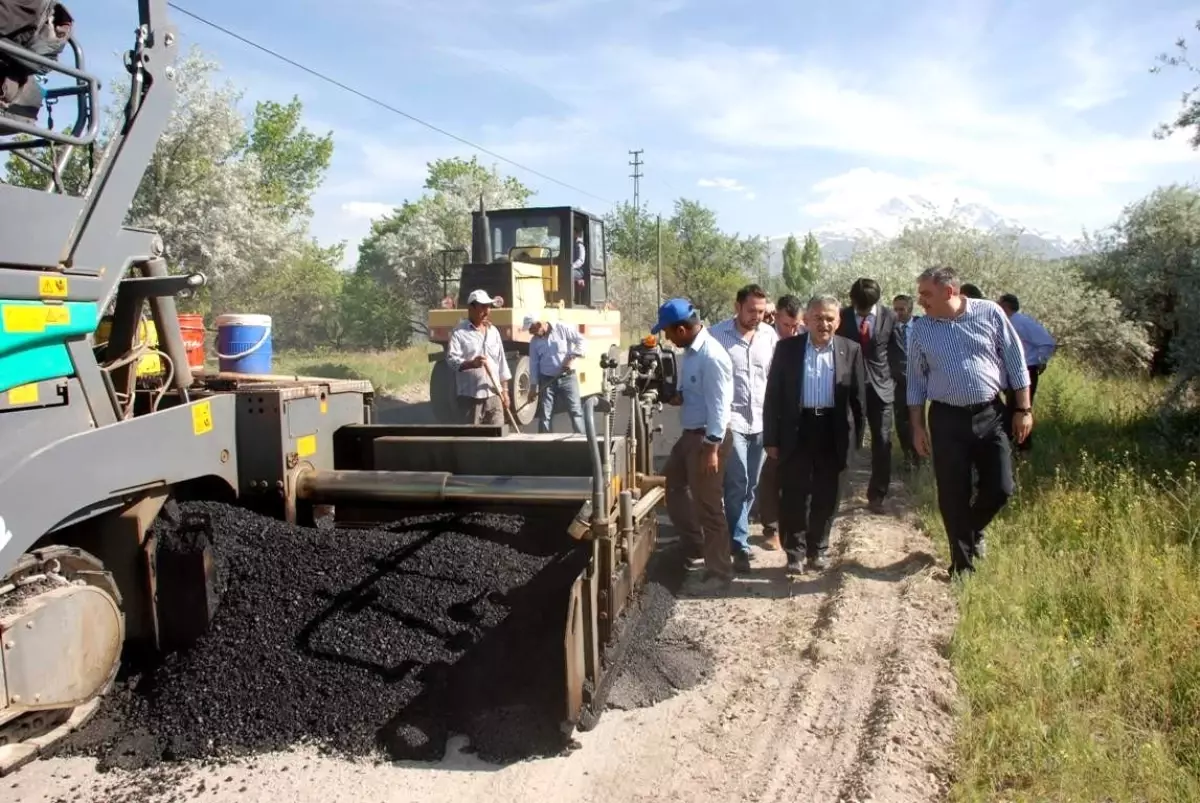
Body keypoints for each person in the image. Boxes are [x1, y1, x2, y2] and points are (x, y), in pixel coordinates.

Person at [907, 266, 1032, 577]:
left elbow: (1016, 361)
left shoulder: (988, 313)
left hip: (990, 413)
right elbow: (915, 382)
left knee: (1001, 487)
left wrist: (1023, 409)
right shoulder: (922, 329)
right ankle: (961, 566)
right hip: (946, 418)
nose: (921, 300)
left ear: (949, 292)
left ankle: (971, 531)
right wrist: (917, 426)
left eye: (926, 294)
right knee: (953, 492)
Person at [764, 294, 866, 573]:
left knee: (827, 494)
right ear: (806, 319)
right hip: (797, 429)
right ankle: (794, 554)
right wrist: (771, 439)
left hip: (832, 431)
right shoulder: (788, 349)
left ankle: (817, 549)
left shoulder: (851, 350)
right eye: (818, 318)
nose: (824, 324)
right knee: (795, 494)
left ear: (838, 321)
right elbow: (773, 396)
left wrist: (855, 442)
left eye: (830, 318)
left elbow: (858, 402)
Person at [655, 297, 735, 592]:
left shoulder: (712, 356)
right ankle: (695, 544)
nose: (666, 337)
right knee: (672, 483)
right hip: (691, 435)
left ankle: (719, 572)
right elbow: (693, 392)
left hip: (707, 439)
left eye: (667, 332)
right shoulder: (690, 351)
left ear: (681, 329)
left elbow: (720, 407)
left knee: (709, 507)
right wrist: (677, 396)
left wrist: (712, 448)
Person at [710, 284, 778, 572]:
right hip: (732, 421)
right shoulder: (716, 336)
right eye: (751, 310)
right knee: (736, 482)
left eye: (761, 311)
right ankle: (739, 545)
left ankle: (733, 534)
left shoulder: (769, 336)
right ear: (737, 307)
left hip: (761, 421)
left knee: (752, 484)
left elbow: (775, 378)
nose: (757, 316)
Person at [838, 278, 904, 513]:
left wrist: (898, 383)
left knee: (882, 441)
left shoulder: (889, 317)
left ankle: (877, 495)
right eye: (859, 307)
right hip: (848, 388)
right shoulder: (842, 317)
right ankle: (839, 489)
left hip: (881, 389)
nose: (862, 311)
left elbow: (897, 354)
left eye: (866, 307)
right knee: (845, 439)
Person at [756, 293, 804, 551]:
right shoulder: (764, 337)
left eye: (796, 325)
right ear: (776, 318)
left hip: (795, 415)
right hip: (767, 410)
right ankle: (770, 527)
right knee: (770, 472)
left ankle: (794, 527)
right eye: (787, 325)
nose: (792, 331)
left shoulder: (805, 339)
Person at [997, 293, 1056, 452]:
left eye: (999, 303)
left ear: (1005, 306)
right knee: (1010, 409)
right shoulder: (1008, 322)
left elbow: (1047, 342)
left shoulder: (1022, 322)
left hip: (1026, 370)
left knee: (1021, 409)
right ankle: (1014, 446)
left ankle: (1022, 448)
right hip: (1012, 370)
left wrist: (1039, 360)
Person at [445, 289, 512, 425]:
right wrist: (471, 364)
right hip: (470, 399)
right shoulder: (459, 332)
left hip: (494, 396)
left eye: (488, 307)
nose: (487, 311)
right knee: (472, 441)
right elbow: (451, 360)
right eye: (483, 307)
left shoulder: (493, 332)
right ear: (471, 308)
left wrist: (505, 392)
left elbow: (502, 364)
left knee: (498, 439)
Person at [522, 314, 586, 434]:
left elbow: (581, 340)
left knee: (575, 411)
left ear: (539, 324)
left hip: (568, 378)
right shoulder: (534, 342)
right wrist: (533, 387)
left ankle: (582, 442)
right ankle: (543, 446)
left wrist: (571, 357)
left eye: (532, 329)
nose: (531, 333)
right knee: (545, 414)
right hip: (547, 380)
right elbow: (534, 365)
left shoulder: (561, 328)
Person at [892, 293, 920, 469]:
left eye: (901, 309)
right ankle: (908, 456)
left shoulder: (922, 325)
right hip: (899, 383)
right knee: (901, 421)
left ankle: (919, 455)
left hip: (920, 380)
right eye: (895, 309)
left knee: (917, 421)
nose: (898, 313)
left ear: (910, 309)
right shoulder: (890, 328)